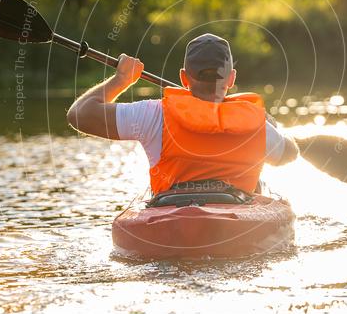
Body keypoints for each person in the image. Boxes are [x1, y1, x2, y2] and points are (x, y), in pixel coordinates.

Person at [67, 33, 299, 195]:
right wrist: (271, 126)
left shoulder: (153, 114)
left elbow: (78, 115)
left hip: (172, 221)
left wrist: (121, 80)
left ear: (183, 78)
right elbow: (289, 154)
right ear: (231, 78)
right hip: (233, 223)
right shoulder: (255, 123)